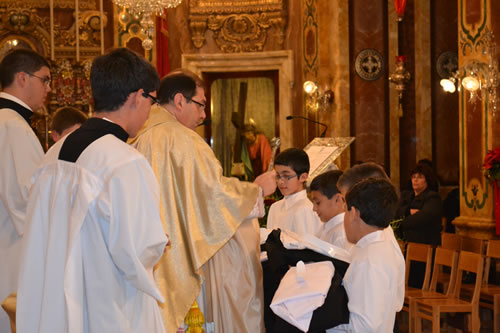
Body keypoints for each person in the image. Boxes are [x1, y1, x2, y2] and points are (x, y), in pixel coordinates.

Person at [16, 48, 168, 333]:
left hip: (54, 307)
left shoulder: (53, 154)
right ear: (138, 96)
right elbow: (138, 252)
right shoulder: (125, 161)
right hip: (106, 309)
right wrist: (162, 240)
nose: (150, 112)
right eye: (152, 101)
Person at [129, 69, 277, 333]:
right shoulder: (186, 141)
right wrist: (256, 191)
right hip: (180, 260)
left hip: (145, 258)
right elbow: (214, 199)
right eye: (199, 104)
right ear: (179, 101)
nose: (203, 115)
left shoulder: (137, 137)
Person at [0, 48, 49, 333]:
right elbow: (29, 199)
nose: (48, 88)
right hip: (13, 246)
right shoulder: (12, 125)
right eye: (44, 79)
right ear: (22, 77)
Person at [327, 178, 405, 332]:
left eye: (345, 211)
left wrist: (323, 319)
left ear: (354, 213)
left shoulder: (368, 259)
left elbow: (365, 326)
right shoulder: (384, 246)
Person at [396, 163, 442, 289]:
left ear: (427, 180)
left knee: (417, 282)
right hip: (407, 246)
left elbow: (422, 219)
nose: (415, 180)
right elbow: (394, 213)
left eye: (420, 177)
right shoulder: (407, 196)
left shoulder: (432, 198)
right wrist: (408, 212)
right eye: (413, 177)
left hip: (425, 246)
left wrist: (400, 221)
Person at [267, 148, 322, 236]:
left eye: (286, 176)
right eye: (277, 175)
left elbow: (308, 247)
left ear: (303, 177)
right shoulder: (274, 207)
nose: (280, 181)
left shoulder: (306, 210)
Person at [310, 170, 353, 251]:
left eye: (318, 203)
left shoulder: (342, 233)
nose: (314, 209)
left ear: (337, 200)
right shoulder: (327, 225)